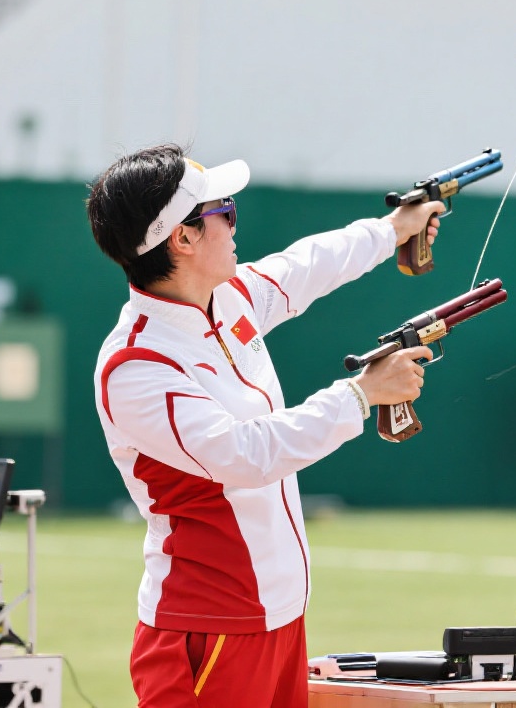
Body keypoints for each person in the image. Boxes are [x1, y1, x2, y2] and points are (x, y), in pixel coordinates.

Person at [86, 143, 444, 708]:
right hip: (206, 627)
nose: (233, 223)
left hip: (278, 615)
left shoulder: (225, 299)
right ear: (181, 238)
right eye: (222, 211)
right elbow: (244, 456)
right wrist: (359, 395)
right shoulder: (136, 365)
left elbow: (306, 265)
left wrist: (392, 229)